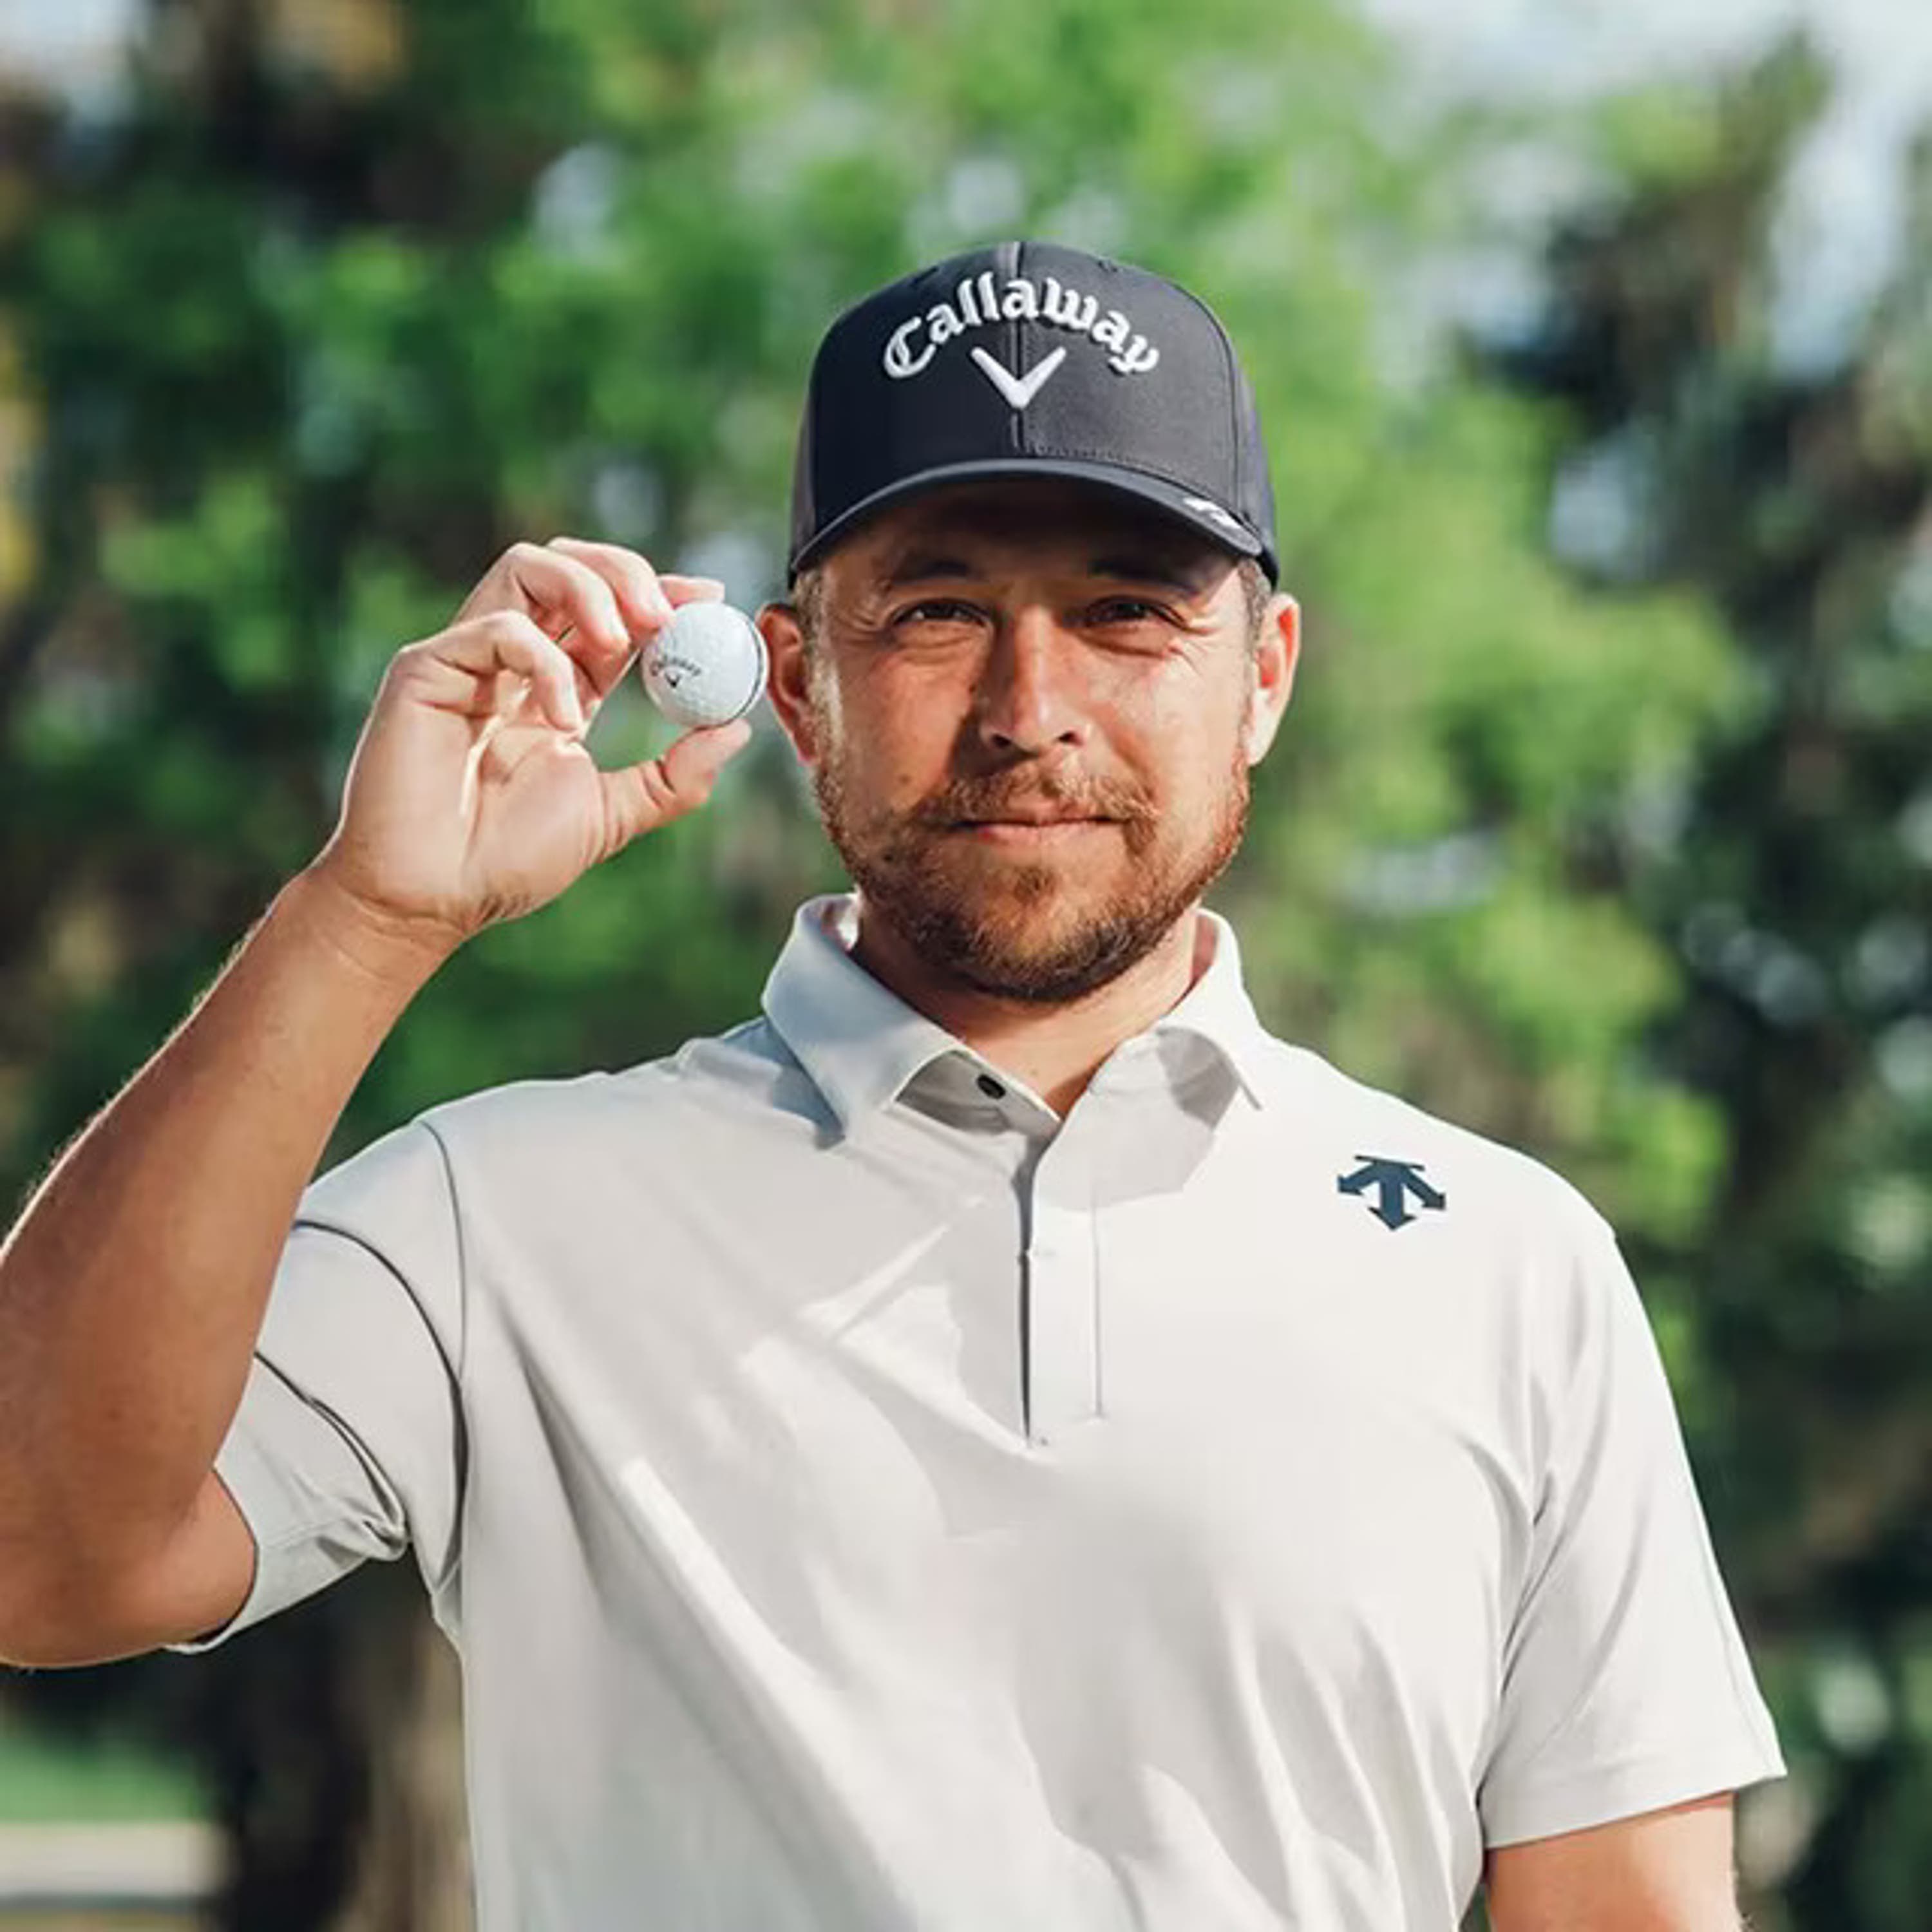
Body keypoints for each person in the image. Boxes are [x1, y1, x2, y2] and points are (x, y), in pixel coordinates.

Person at [0, 241, 1783, 1929]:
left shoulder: (1503, 1261)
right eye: (937, 613)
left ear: (1266, 677)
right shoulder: (502, 1215)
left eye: (1125, 616)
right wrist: (365, 917)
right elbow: (38, 1559)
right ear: (795, 680)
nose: (1029, 706)